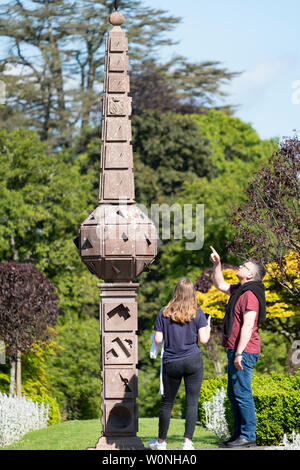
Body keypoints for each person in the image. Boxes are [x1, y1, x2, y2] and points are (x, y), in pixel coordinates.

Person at [210, 246, 266, 448]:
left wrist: (240, 353)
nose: (240, 266)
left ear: (250, 275)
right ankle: (237, 436)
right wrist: (217, 264)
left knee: (242, 393)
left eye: (244, 266)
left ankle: (248, 436)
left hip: (245, 350)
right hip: (235, 349)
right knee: (234, 394)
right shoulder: (239, 290)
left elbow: (249, 326)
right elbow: (220, 284)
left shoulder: (250, 294)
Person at [148, 277, 211, 451]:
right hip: (193, 361)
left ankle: (161, 443)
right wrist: (208, 327)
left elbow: (159, 340)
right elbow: (204, 340)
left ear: (175, 292)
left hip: (172, 361)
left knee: (167, 403)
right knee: (192, 402)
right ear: (192, 294)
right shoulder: (198, 313)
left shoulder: (163, 312)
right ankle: (187, 443)